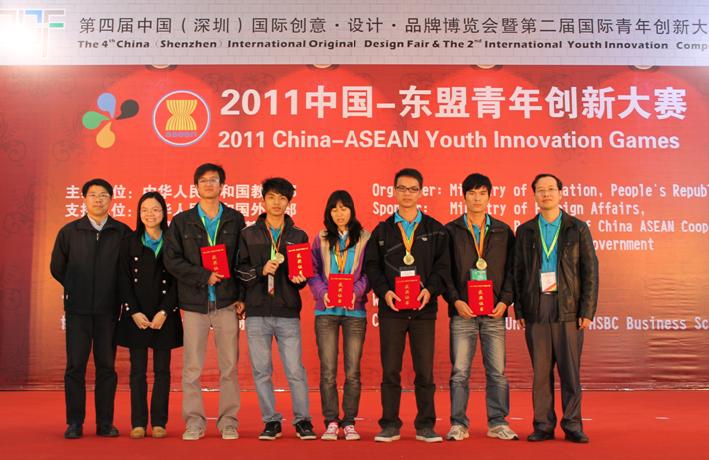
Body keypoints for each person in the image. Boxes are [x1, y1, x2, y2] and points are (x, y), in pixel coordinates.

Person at [364, 168, 450, 443]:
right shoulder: (382, 230)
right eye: (402, 188)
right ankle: (390, 424)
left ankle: (425, 425)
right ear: (394, 191)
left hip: (424, 310)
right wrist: (385, 292)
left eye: (413, 189)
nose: (407, 194)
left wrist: (429, 290)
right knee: (391, 369)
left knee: (424, 370)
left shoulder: (436, 230)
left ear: (421, 192)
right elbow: (372, 267)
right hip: (392, 310)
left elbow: (443, 267)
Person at [513, 173, 599, 444]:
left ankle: (572, 424)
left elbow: (590, 271)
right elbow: (517, 273)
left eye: (551, 189)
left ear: (561, 193)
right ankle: (543, 425)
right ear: (534, 196)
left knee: (570, 372)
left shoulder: (578, 228)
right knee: (541, 373)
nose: (546, 194)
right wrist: (520, 311)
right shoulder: (525, 231)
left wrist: (587, 310)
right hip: (536, 306)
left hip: (569, 308)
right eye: (541, 190)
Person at [164, 163, 245, 441]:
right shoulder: (182, 221)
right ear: (195, 186)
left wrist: (242, 296)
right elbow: (172, 260)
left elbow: (243, 261)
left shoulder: (235, 219)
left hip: (226, 303)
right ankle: (194, 422)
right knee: (192, 368)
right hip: (194, 303)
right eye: (203, 180)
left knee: (229, 367)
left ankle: (229, 422)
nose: (209, 184)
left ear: (222, 185)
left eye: (214, 180)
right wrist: (203, 275)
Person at [50, 178, 131, 439]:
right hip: (78, 310)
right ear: (84, 199)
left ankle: (105, 423)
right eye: (93, 195)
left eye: (104, 195)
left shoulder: (122, 232)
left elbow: (129, 269)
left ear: (111, 200)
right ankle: (74, 422)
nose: (98, 199)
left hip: (109, 310)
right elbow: (57, 267)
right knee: (75, 366)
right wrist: (76, 286)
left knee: (106, 367)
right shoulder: (70, 231)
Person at [236, 177, 316, 441]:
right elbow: (239, 270)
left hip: (287, 311)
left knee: (295, 370)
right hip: (257, 311)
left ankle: (303, 420)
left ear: (289, 202)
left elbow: (303, 278)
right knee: (261, 371)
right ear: (263, 200)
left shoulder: (298, 235)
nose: (277, 202)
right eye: (271, 197)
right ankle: (271, 421)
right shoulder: (248, 234)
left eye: (282, 198)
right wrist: (261, 270)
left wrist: (300, 278)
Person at [443, 173, 518, 441]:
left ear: (489, 196)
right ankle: (458, 424)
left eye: (482, 193)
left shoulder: (503, 231)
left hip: (494, 312)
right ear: (463, 196)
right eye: (472, 193)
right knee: (460, 372)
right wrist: (456, 301)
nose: (477, 198)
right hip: (462, 312)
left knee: (497, 372)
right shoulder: (450, 231)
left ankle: (498, 422)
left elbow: (513, 271)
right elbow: (445, 272)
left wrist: (505, 301)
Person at [116, 191, 183, 439]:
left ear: (164, 213)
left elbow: (179, 280)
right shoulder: (129, 241)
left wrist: (165, 311)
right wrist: (133, 312)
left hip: (165, 315)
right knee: (137, 372)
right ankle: (138, 423)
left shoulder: (173, 241)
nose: (150, 214)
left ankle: (159, 423)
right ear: (138, 213)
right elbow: (123, 280)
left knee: (162, 371)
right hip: (137, 316)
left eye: (155, 209)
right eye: (144, 210)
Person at [308, 190, 371, 441]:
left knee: (353, 371)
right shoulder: (321, 238)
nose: (339, 213)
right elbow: (312, 271)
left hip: (355, 312)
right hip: (326, 311)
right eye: (334, 209)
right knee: (328, 371)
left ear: (352, 210)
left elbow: (370, 272)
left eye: (344, 208)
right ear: (329, 213)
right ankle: (332, 421)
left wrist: (356, 292)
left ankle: (350, 421)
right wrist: (322, 292)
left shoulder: (365, 238)